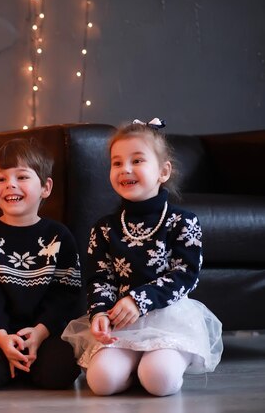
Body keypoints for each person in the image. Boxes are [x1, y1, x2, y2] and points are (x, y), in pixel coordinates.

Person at [62, 119, 223, 397]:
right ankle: (131, 369)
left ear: (163, 171)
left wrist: (139, 299)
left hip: (167, 317)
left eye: (137, 161)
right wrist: (100, 311)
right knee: (101, 382)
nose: (125, 169)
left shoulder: (182, 222)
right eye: (117, 163)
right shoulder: (104, 228)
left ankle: (158, 364)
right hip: (122, 324)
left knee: (159, 380)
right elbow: (99, 277)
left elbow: (186, 273)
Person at [0, 138, 83, 390]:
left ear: (45, 187)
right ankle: (10, 361)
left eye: (22, 177)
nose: (10, 185)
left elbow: (65, 294)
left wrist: (40, 332)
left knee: (59, 375)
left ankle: (26, 364)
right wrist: (2, 336)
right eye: (1, 179)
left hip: (45, 329)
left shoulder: (59, 236)